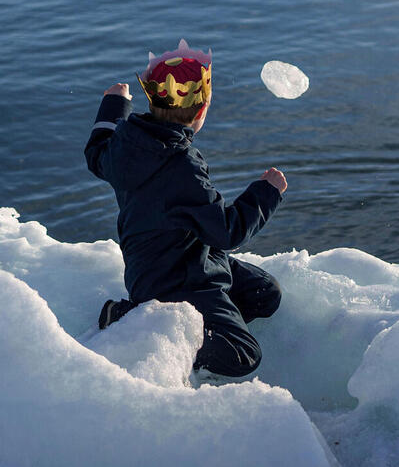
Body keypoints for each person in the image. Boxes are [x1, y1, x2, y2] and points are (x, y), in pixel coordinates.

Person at [84, 40, 288, 378]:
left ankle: (207, 321)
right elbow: (227, 231)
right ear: (201, 110)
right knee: (244, 355)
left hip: (181, 259)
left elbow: (96, 153)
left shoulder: (126, 145)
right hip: (176, 281)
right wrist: (266, 193)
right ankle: (133, 319)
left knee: (265, 293)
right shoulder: (182, 166)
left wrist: (114, 105)